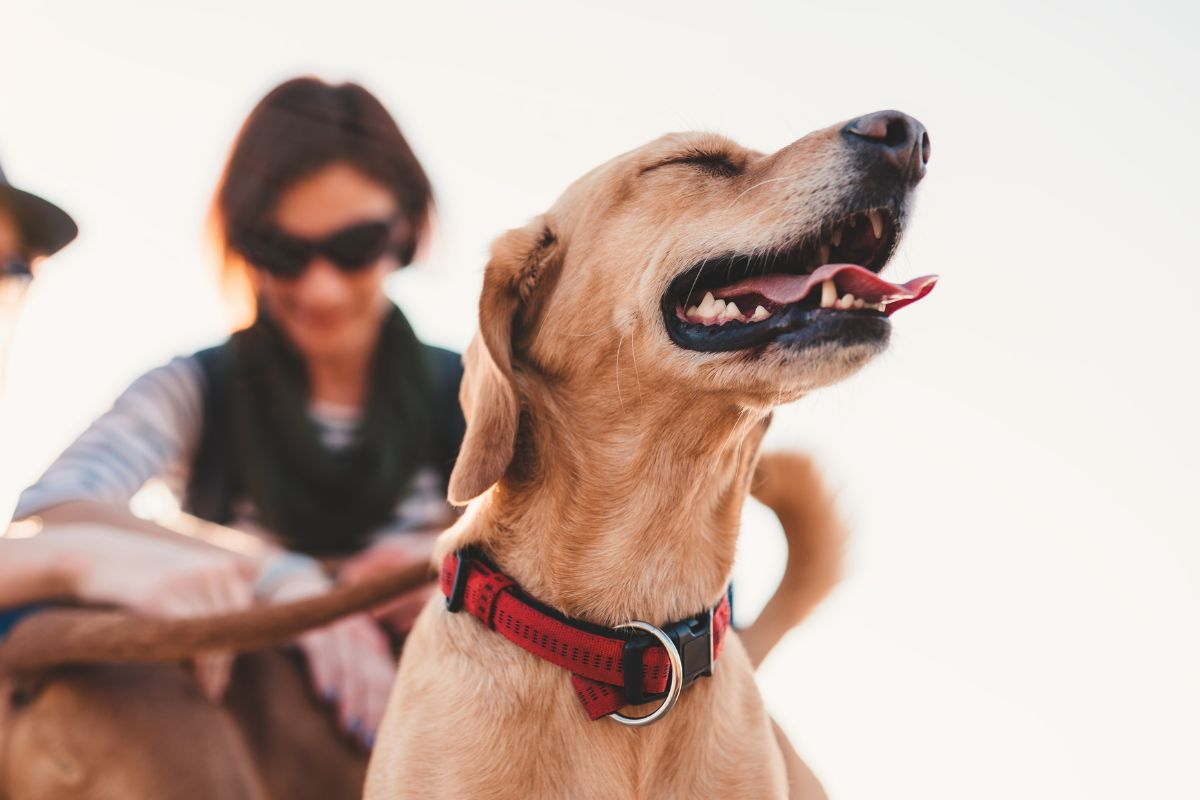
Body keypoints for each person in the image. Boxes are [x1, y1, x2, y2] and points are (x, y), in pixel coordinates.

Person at [9, 77, 464, 747]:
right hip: (248, 745)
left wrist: (456, 555)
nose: (320, 288)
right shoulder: (195, 388)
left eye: (353, 247)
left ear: (407, 229)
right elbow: (54, 507)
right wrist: (278, 576)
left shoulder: (479, 391)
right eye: (283, 253)